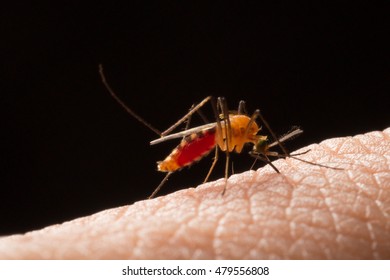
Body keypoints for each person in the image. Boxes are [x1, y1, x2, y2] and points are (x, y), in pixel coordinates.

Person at [0, 128, 389, 259]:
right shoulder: (242, 132)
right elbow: (232, 137)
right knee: (219, 118)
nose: (260, 152)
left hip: (221, 134)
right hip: (214, 133)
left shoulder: (248, 135)